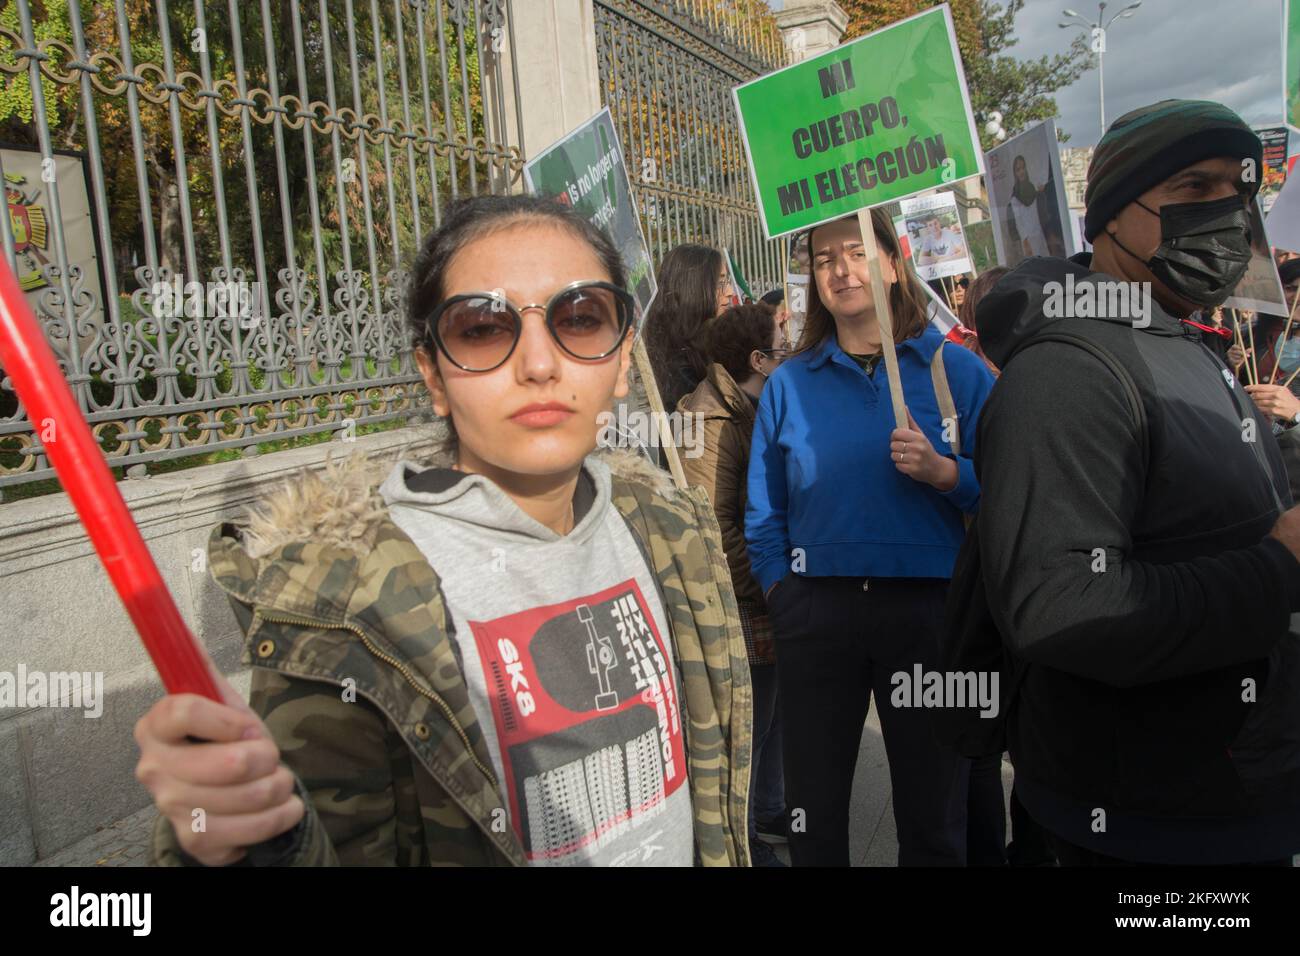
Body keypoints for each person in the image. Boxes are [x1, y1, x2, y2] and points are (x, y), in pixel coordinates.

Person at [135, 194, 753, 867]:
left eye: (579, 320)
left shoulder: (673, 530)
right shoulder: (343, 610)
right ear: (434, 373)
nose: (539, 365)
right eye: (483, 328)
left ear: (623, 354)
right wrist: (240, 840)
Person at [968, 99, 1300, 865]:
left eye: (1237, 191)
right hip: (1138, 826)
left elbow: (1206, 502)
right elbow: (1059, 606)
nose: (1226, 212)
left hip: (1226, 799)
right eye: (1192, 187)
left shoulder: (1182, 338)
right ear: (1114, 214)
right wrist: (1279, 566)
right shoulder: (1067, 372)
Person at [746, 207, 995, 866]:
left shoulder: (955, 371)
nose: (841, 270)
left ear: (892, 261)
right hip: (816, 615)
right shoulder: (790, 383)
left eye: (856, 251)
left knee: (933, 814)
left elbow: (1012, 490)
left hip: (928, 615)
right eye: (824, 259)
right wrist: (783, 592)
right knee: (814, 814)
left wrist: (947, 474)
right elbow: (762, 507)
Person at [677, 303, 790, 867]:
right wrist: (768, 586)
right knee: (748, 728)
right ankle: (743, 836)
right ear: (757, 359)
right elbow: (715, 527)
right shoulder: (711, 420)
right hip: (742, 601)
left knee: (773, 719)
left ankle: (770, 810)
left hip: (763, 594)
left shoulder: (755, 403)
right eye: (780, 342)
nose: (789, 348)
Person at [643, 243, 730, 413]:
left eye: (727, 281)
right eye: (720, 282)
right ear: (693, 287)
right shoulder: (678, 369)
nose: (729, 291)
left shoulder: (704, 344)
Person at [1007, 154, 1048, 258]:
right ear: (1015, 173)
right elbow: (1019, 222)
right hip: (1028, 242)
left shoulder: (1034, 190)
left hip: (1041, 236)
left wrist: (1042, 193)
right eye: (1018, 169)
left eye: (1023, 167)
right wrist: (1025, 243)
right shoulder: (1015, 198)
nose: (1021, 172)